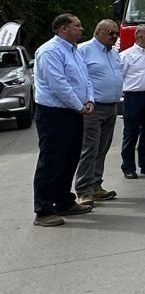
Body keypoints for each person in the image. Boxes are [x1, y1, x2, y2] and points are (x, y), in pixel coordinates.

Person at [32, 14, 95, 227]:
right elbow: (58, 84)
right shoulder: (50, 51)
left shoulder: (74, 51)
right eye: (77, 25)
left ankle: (63, 201)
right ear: (63, 28)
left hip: (74, 112)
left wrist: (90, 100)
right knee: (52, 161)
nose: (81, 29)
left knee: (70, 158)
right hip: (54, 114)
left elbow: (85, 79)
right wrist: (79, 105)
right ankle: (43, 210)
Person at [74, 20, 124, 205]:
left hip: (112, 107)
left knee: (102, 148)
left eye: (116, 33)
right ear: (97, 32)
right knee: (89, 149)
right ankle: (84, 190)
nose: (114, 36)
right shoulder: (83, 50)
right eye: (110, 33)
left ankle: (96, 186)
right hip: (93, 109)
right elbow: (77, 78)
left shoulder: (114, 53)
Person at [119, 25, 145, 179]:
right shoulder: (126, 56)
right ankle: (128, 166)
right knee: (131, 132)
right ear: (139, 36)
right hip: (134, 97)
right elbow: (119, 77)